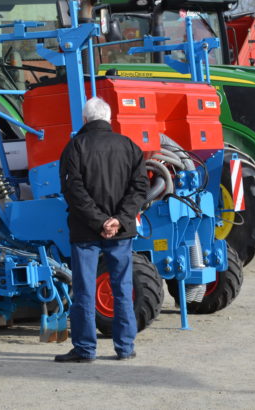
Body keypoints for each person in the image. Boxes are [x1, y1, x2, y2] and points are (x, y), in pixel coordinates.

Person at [55, 97, 148, 363]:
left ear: (84, 120)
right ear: (110, 118)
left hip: (85, 231)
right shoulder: (130, 146)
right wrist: (118, 219)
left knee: (84, 289)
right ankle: (125, 347)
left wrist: (98, 221)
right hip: (121, 231)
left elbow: (73, 191)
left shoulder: (75, 147)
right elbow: (139, 188)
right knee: (122, 287)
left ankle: (85, 349)